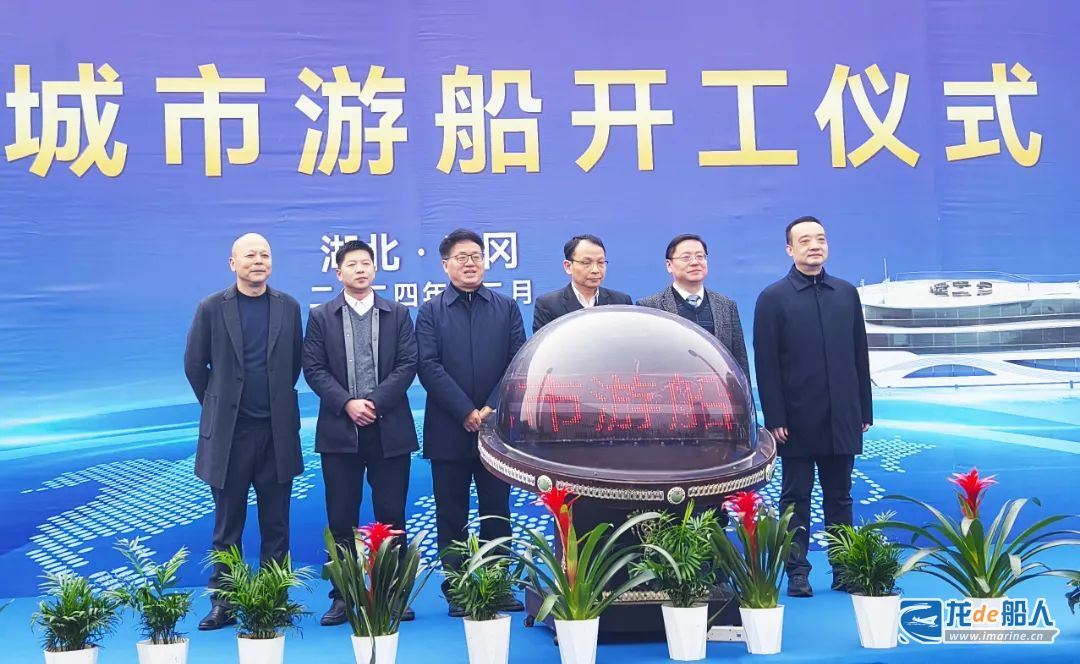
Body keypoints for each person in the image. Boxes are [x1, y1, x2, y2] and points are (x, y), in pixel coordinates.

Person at [183, 233, 304, 630]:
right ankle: (225, 601)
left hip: (276, 433)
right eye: (250, 255)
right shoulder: (211, 307)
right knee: (227, 525)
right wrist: (218, 405)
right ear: (232, 263)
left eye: (265, 254)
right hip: (229, 437)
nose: (258, 260)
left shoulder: (289, 307)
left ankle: (275, 597)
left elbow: (293, 365)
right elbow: (194, 365)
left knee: (276, 523)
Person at [752, 215, 873, 598]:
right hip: (796, 420)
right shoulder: (773, 298)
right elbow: (766, 363)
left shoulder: (846, 293)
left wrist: (864, 410)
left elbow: (860, 354)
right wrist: (775, 417)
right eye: (805, 240)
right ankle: (797, 572)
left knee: (840, 498)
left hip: (843, 416)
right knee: (795, 498)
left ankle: (844, 568)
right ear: (790, 249)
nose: (814, 246)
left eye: (820, 238)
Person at [302, 239, 419, 625]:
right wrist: (348, 404)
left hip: (390, 430)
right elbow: (313, 368)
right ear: (339, 273)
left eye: (366, 263)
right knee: (341, 518)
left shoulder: (398, 313)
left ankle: (394, 594)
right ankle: (343, 596)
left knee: (392, 516)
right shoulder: (321, 316)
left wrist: (375, 403)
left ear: (375, 269)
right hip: (340, 431)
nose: (360, 269)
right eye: (352, 264)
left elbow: (408, 364)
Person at [415, 228, 526, 617]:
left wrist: (491, 407)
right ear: (445, 265)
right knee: (451, 513)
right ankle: (457, 588)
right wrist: (465, 410)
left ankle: (497, 584)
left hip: (497, 431)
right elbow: (427, 365)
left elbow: (518, 361)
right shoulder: (430, 311)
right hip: (449, 428)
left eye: (476, 256)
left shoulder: (506, 308)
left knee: (496, 510)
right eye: (461, 257)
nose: (470, 263)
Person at [637, 233, 751, 380]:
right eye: (686, 257)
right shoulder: (650, 307)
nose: (695, 262)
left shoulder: (726, 306)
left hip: (718, 391)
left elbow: (740, 362)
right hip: (672, 391)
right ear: (669, 265)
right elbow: (646, 364)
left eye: (700, 256)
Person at [532, 233, 631, 332]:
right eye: (586, 263)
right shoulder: (548, 305)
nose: (595, 270)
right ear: (568, 266)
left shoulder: (621, 302)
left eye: (600, 262)